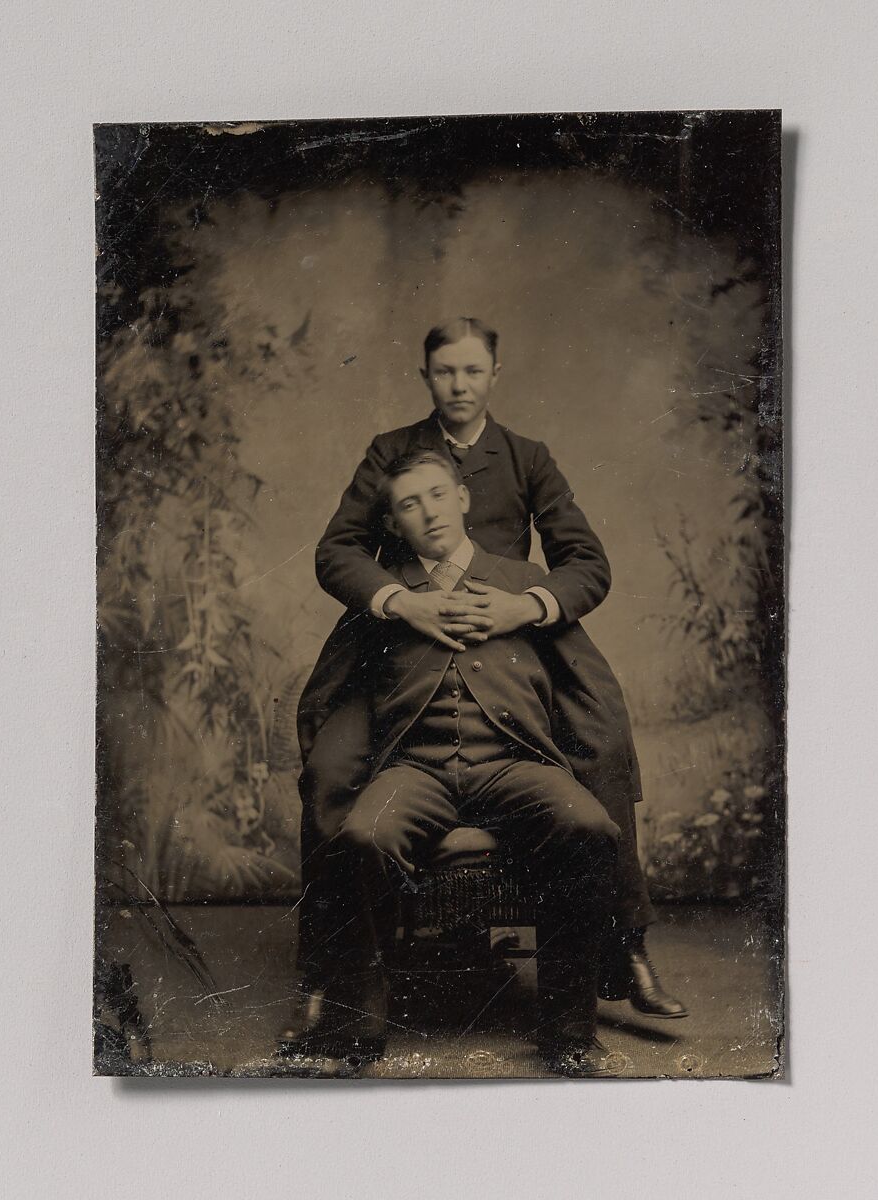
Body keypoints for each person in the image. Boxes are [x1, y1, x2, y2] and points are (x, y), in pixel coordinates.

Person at [293, 317, 686, 1035]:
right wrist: (400, 599)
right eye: (446, 372)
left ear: (494, 375)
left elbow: (587, 563)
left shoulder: (526, 456)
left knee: (599, 740)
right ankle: (325, 969)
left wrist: (523, 604)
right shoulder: (393, 453)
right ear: (426, 377)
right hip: (400, 638)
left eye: (473, 372)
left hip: (511, 635)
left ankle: (624, 945)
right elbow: (336, 551)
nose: (460, 386)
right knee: (329, 770)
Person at [283, 451, 626, 1077]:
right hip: (415, 769)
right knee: (364, 834)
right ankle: (353, 1036)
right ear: (392, 522)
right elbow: (333, 696)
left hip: (516, 763)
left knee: (589, 827)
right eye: (410, 505)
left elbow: (586, 685)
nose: (429, 513)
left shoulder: (523, 583)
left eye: (438, 495)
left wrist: (527, 607)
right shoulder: (384, 599)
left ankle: (569, 1034)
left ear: (463, 499)